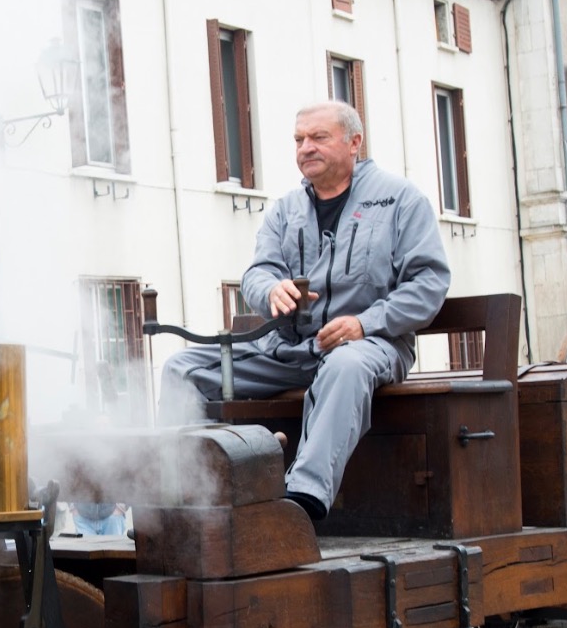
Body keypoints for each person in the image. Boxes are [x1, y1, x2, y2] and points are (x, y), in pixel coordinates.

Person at [159, 101, 450, 521]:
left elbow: (429, 283)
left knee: (345, 366)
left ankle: (302, 501)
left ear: (354, 142)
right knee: (182, 369)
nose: (305, 148)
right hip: (290, 349)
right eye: (299, 140)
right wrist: (270, 289)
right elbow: (258, 272)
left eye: (318, 137)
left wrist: (364, 323)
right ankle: (181, 497)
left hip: (372, 345)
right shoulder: (285, 210)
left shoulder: (401, 200)